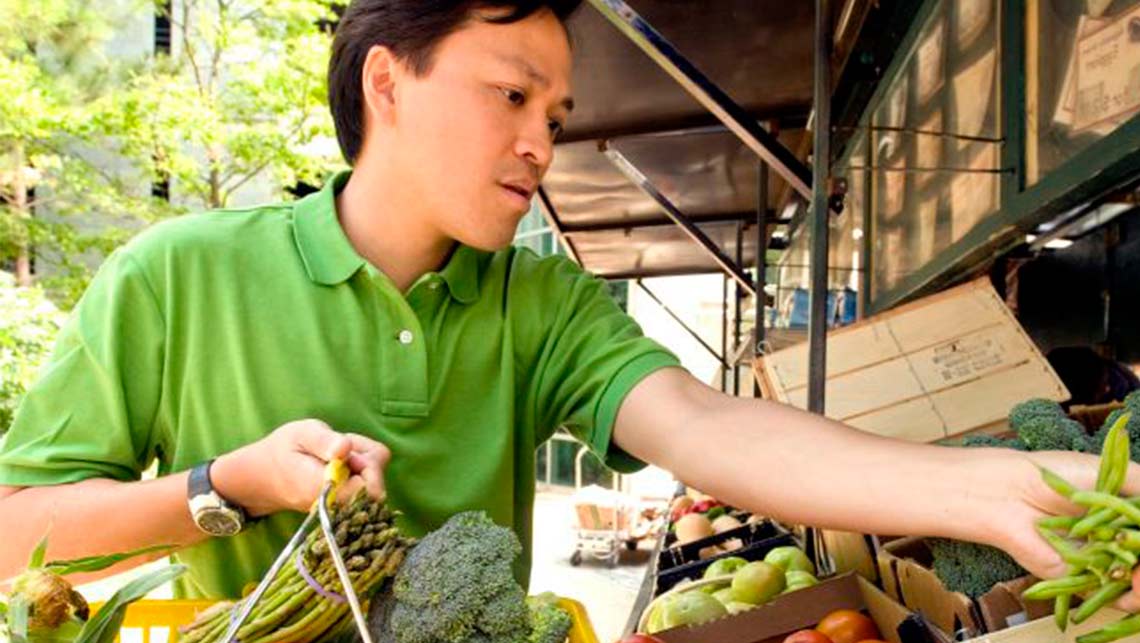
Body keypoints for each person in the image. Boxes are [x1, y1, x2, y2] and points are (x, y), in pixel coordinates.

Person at [1, 0, 1137, 608]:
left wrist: (999, 491)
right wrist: (225, 486)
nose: (543, 141)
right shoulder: (176, 272)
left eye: (557, 107)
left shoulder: (538, 299)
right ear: (387, 83)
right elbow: (16, 534)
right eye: (511, 95)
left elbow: (706, 426)